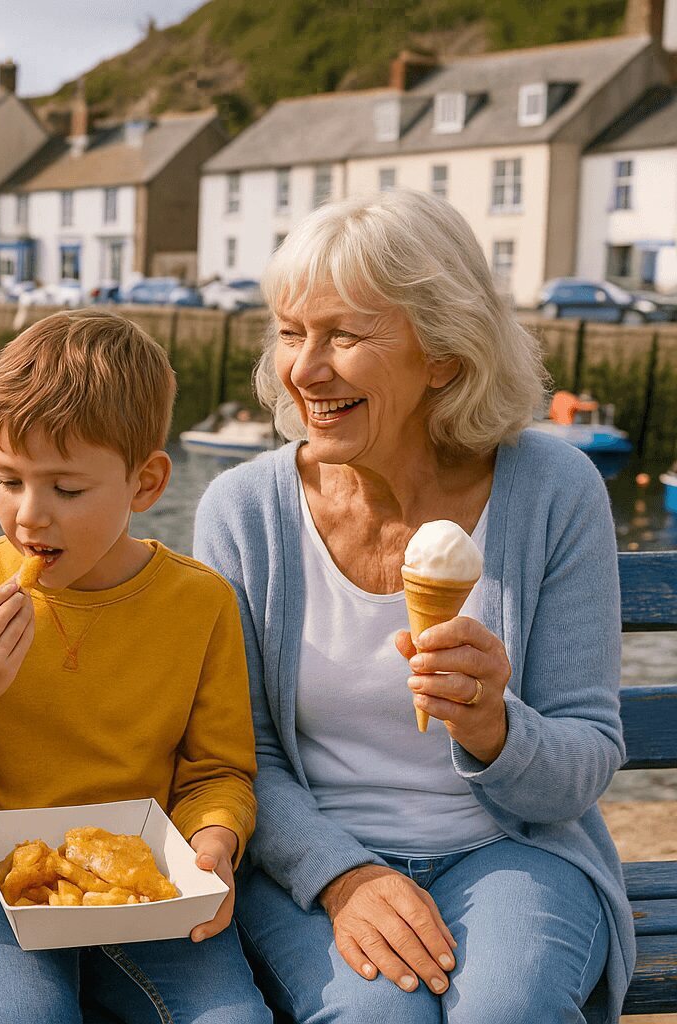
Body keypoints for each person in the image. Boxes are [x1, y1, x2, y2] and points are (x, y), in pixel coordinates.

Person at [193, 187, 629, 1023]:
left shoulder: (553, 490)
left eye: (344, 335)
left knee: (507, 1011)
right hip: (311, 865)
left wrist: (495, 727)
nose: (304, 369)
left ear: (444, 353)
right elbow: (240, 755)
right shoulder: (244, 512)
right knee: (375, 1017)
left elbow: (584, 761)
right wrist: (344, 875)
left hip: (516, 849)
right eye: (291, 333)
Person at [0, 309, 271, 1023]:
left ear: (146, 483)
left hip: (145, 882)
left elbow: (218, 772)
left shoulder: (199, 604)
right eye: (8, 479)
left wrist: (214, 840)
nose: (30, 517)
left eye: (66, 490)